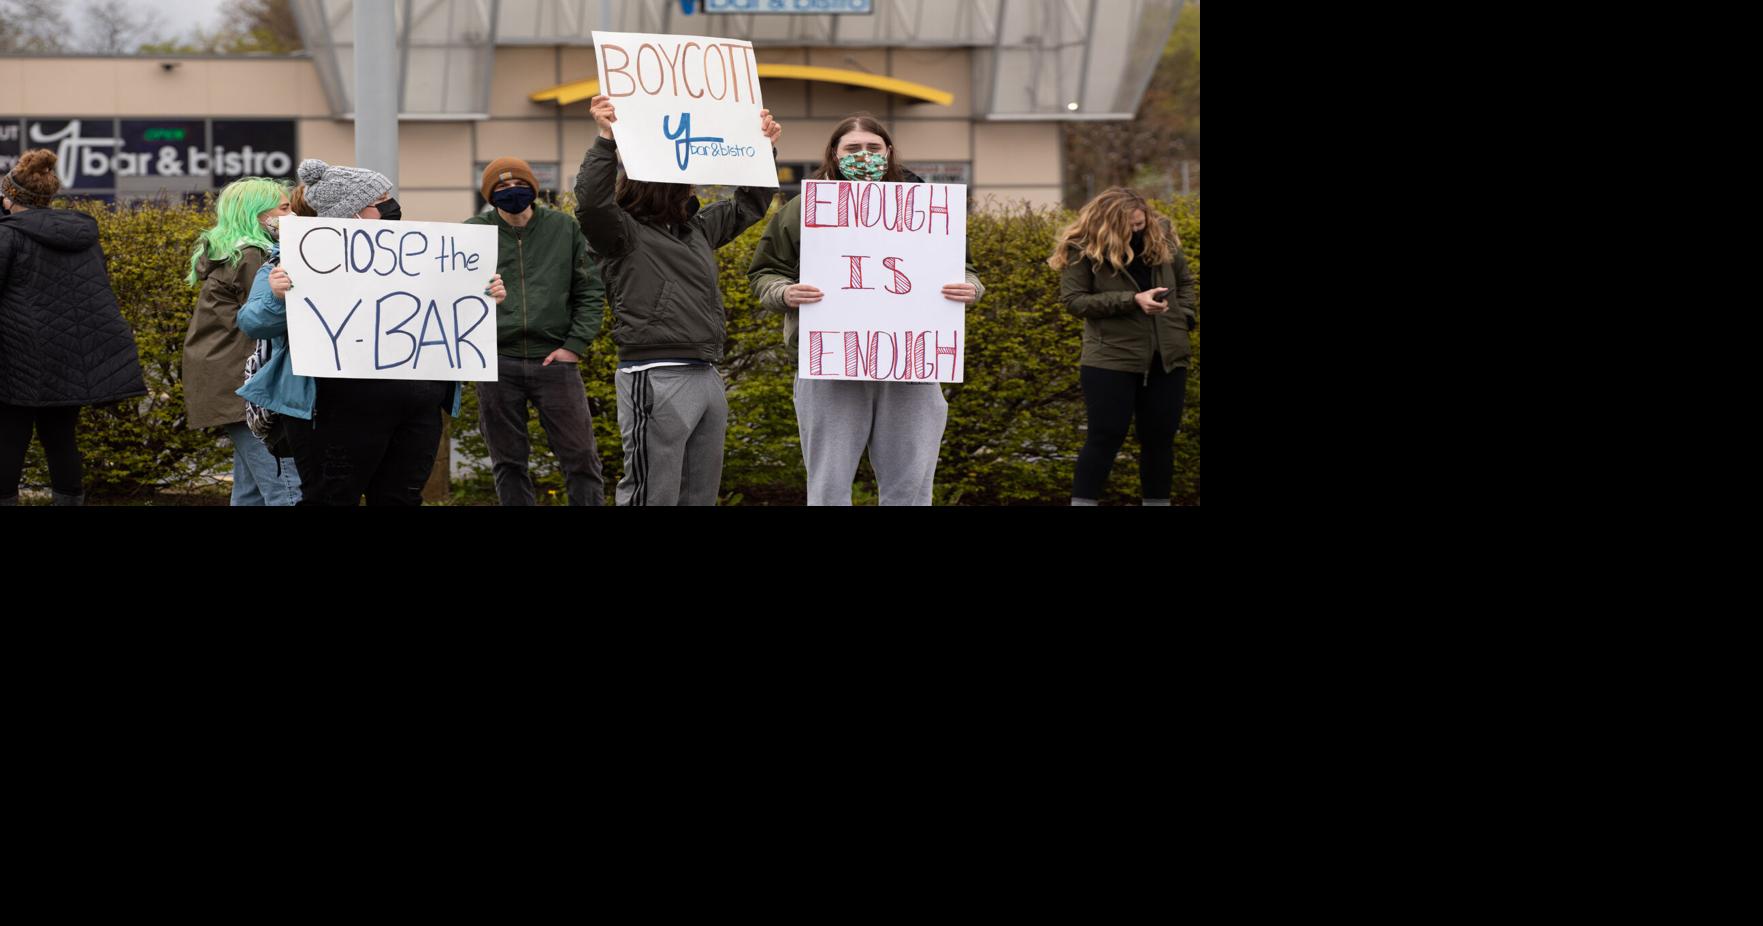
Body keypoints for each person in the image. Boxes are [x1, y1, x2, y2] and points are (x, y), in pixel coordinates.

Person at [237, 158, 506, 505]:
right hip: (334, 411)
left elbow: (449, 317)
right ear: (351, 212)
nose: (391, 206)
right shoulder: (293, 260)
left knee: (400, 499)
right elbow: (253, 323)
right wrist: (277, 297)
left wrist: (483, 295)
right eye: (379, 200)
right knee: (330, 499)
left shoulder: (422, 258)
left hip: (414, 410)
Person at [747, 113, 983, 506]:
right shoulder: (804, 209)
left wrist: (970, 288)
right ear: (834, 154)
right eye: (853, 148)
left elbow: (965, 269)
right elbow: (765, 271)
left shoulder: (927, 208)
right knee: (829, 486)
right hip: (829, 363)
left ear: (888, 152)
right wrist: (784, 292)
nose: (864, 156)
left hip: (911, 363)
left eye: (873, 147)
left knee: (911, 487)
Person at [573, 94, 780, 506]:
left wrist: (762, 149)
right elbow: (592, 203)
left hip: (706, 372)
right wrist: (605, 140)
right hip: (654, 373)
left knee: (698, 493)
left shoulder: (696, 229)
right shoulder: (621, 232)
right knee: (653, 491)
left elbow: (748, 206)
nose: (686, 182)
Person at [0, 149, 147, 506]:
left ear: (10, 198)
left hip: (15, 357)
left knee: (8, 441)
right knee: (61, 439)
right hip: (67, 357)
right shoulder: (81, 233)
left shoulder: (7, 236)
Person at [464, 157, 608, 506]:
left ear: (534, 188)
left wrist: (574, 345)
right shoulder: (472, 232)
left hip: (555, 361)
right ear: (489, 194)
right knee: (508, 462)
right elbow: (454, 293)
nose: (512, 192)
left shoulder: (564, 228)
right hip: (498, 362)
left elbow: (589, 290)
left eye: (519, 185)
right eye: (502, 187)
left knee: (581, 457)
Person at [1048, 187, 1196, 507]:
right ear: (1109, 224)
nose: (1137, 231)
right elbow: (1075, 301)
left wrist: (1184, 316)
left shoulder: (1162, 236)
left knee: (1160, 441)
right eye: (1130, 226)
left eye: (1141, 224)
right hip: (1109, 358)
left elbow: (1184, 282)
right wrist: (1132, 300)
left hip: (1167, 357)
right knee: (1104, 438)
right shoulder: (1082, 247)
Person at [183, 176, 301, 505]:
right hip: (245, 382)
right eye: (284, 208)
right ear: (258, 214)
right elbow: (265, 317)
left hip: (224, 377)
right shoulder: (255, 256)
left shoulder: (232, 252)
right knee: (286, 486)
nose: (292, 215)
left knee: (251, 492)